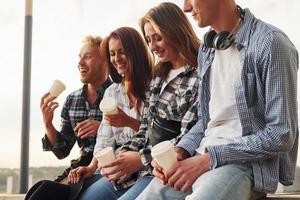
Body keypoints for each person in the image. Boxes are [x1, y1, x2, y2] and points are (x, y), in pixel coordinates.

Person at [138, 0, 299, 200]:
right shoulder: (207, 50)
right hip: (199, 156)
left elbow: (281, 134)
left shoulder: (271, 43)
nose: (186, 8)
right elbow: (206, 122)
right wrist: (182, 149)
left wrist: (210, 158)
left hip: (244, 164)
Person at [115, 2, 200, 199]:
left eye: (157, 38)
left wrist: (141, 159)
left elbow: (191, 134)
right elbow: (146, 126)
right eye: (148, 40)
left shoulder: (199, 72)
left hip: (169, 169)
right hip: (143, 168)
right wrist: (127, 152)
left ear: (175, 31)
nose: (153, 47)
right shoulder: (158, 75)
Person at [68, 27, 153, 200]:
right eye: (112, 54)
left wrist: (129, 121)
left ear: (136, 52)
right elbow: (104, 140)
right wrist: (92, 167)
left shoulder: (155, 86)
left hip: (147, 166)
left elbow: (161, 135)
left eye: (122, 52)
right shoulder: (112, 92)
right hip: (120, 170)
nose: (116, 59)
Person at [25, 36, 111, 200]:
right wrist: (48, 123)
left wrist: (103, 126)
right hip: (79, 169)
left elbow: (133, 136)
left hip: (106, 166)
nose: (80, 63)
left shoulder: (119, 93)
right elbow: (62, 151)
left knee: (45, 193)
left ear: (105, 61)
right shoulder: (72, 100)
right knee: (39, 191)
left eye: (87, 57)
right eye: (80, 57)